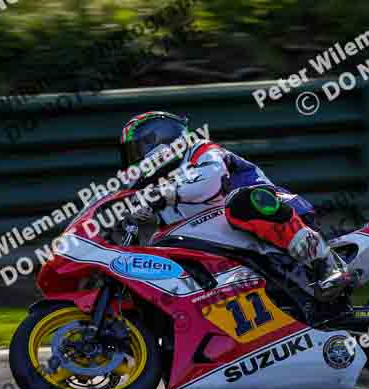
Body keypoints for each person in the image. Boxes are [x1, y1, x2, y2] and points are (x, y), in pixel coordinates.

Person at [119, 111, 352, 301]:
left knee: (239, 203)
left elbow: (210, 182)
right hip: (228, 246)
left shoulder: (201, 150)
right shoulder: (153, 186)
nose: (134, 158)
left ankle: (326, 264)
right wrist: (139, 215)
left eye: (137, 148)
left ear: (160, 139)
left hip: (272, 211)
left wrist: (161, 194)